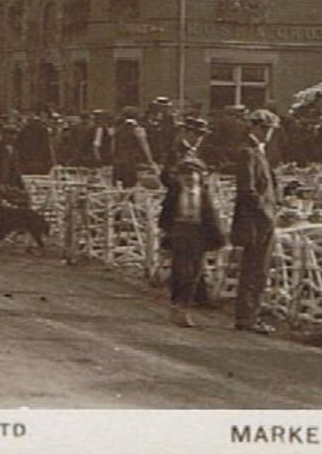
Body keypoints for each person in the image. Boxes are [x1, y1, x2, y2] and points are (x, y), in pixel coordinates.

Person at [157, 117, 224, 327]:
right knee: (183, 267)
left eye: (202, 135)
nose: (199, 139)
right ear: (186, 132)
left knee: (193, 266)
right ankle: (181, 304)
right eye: (196, 134)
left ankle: (191, 300)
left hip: (195, 216)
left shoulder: (198, 155)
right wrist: (178, 180)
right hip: (180, 215)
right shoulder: (176, 151)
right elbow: (165, 177)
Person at [231, 108, 281, 334]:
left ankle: (250, 314)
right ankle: (247, 316)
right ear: (256, 127)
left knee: (257, 269)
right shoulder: (248, 152)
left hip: (262, 217)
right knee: (255, 268)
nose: (269, 134)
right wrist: (266, 212)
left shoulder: (257, 152)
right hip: (256, 221)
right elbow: (247, 190)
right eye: (267, 129)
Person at [111, 107, 157, 189]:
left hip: (118, 161)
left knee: (119, 186)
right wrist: (150, 161)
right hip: (131, 161)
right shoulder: (138, 129)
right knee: (130, 187)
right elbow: (145, 146)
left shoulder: (118, 130)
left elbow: (113, 146)